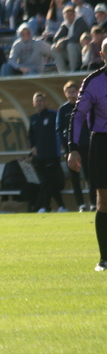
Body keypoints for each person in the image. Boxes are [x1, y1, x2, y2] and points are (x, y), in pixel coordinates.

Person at [69, 37, 107, 269]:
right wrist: (73, 149)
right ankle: (104, 258)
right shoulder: (93, 82)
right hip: (102, 142)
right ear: (102, 56)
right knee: (103, 201)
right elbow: (78, 115)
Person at [58, 80, 95, 212]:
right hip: (72, 149)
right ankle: (81, 204)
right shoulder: (63, 110)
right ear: (65, 93)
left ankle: (93, 203)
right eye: (69, 92)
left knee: (89, 176)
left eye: (74, 91)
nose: (72, 94)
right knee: (75, 178)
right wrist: (66, 148)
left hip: (86, 146)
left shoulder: (85, 106)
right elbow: (59, 130)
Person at [29, 92, 66, 213]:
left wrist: (62, 145)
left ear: (45, 102)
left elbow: (61, 130)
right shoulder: (33, 118)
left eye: (41, 101)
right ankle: (61, 206)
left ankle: (44, 207)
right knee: (49, 182)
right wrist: (32, 147)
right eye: (37, 101)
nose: (39, 103)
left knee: (47, 181)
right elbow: (31, 136)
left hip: (52, 154)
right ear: (34, 104)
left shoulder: (53, 115)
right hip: (39, 156)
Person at [52, 5, 89, 72]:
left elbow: (75, 38)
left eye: (71, 15)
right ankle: (62, 72)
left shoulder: (80, 22)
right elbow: (56, 38)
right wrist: (59, 43)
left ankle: (73, 70)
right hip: (69, 53)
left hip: (81, 51)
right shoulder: (65, 24)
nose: (69, 17)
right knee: (54, 48)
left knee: (71, 45)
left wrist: (62, 41)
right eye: (67, 15)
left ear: (74, 14)